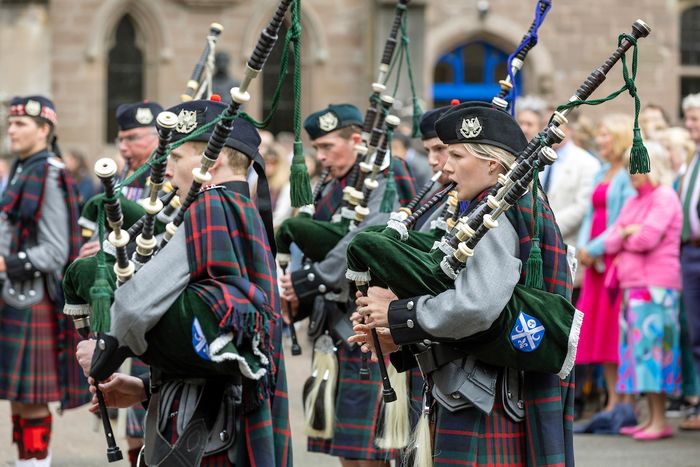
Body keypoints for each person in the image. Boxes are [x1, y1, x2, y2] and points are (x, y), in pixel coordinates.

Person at [349, 101, 575, 465]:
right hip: (487, 389)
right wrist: (400, 333)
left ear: (493, 164)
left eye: (456, 155)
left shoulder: (495, 215)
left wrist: (398, 315)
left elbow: (477, 307)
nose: (446, 166)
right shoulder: (504, 204)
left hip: (482, 394)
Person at [74, 98, 291, 465]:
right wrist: (145, 388)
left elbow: (139, 307)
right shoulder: (241, 209)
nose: (167, 170)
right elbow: (217, 344)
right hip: (226, 422)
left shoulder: (210, 207)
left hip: (207, 431)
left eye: (175, 157)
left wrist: (104, 350)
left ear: (212, 159)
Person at [279, 103, 415, 467]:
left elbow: (365, 238)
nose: (321, 157)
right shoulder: (330, 184)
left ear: (356, 140)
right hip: (333, 326)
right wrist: (298, 294)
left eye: (328, 146)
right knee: (347, 450)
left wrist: (310, 280)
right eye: (317, 148)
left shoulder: (386, 177)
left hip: (369, 324)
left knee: (371, 454)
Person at [0, 95, 85, 466]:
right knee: (19, 399)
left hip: (33, 298)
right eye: (10, 123)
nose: (11, 130)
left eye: (20, 124)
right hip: (14, 294)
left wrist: (5, 263)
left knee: (32, 400)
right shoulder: (23, 168)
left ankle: (35, 464)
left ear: (44, 129)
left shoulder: (49, 173)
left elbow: (54, 251)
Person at [604, 142, 682, 440]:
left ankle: (660, 421)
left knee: (655, 355)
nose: (631, 172)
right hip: (634, 286)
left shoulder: (664, 196)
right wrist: (627, 232)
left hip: (656, 287)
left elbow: (647, 238)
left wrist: (627, 232)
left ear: (653, 166)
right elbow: (611, 240)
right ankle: (650, 418)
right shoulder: (635, 200)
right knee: (638, 356)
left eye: (637, 166)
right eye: (629, 166)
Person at [575, 114, 637, 424]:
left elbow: (623, 220)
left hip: (614, 260)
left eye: (605, 135)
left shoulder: (626, 175)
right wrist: (583, 248)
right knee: (600, 332)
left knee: (617, 332)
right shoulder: (601, 171)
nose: (599, 141)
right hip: (595, 263)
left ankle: (625, 402)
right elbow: (590, 215)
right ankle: (612, 399)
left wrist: (596, 248)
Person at [678, 93, 700, 430]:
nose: (690, 124)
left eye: (695, 118)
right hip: (689, 253)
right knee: (696, 335)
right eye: (689, 118)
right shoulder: (692, 159)